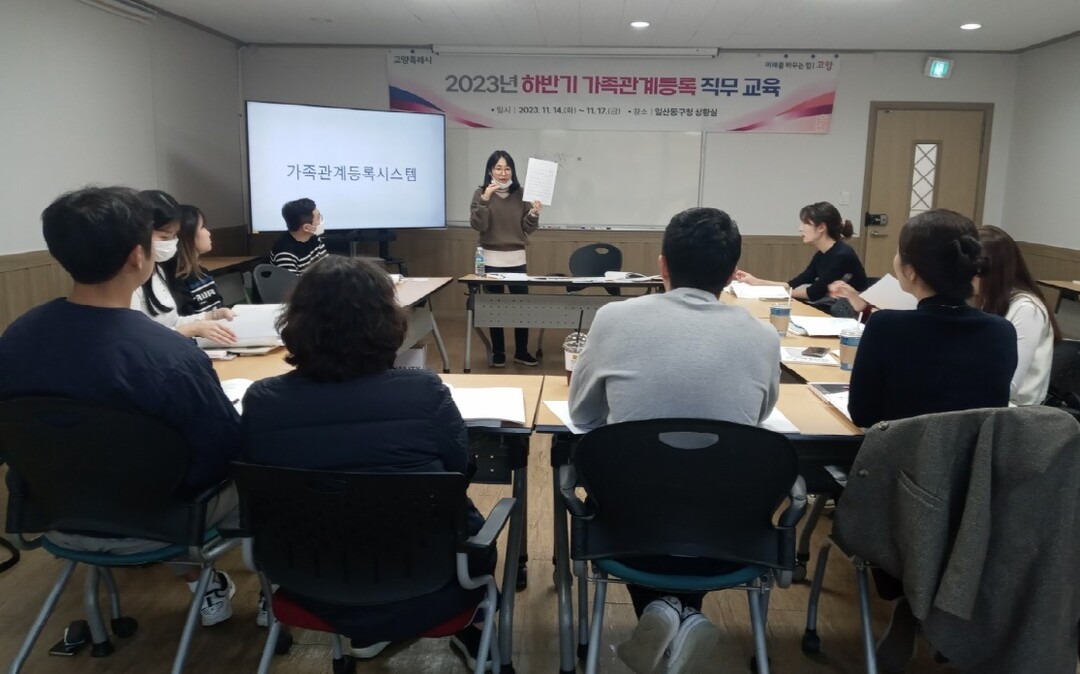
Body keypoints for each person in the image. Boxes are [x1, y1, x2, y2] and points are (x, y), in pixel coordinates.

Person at [0, 186, 243, 626]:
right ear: (137, 256)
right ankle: (270, 596)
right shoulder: (168, 356)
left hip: (53, 514)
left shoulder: (16, 339)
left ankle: (199, 585)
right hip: (164, 520)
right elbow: (221, 452)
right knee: (263, 472)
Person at [241, 255, 497, 667]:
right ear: (387, 322)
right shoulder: (424, 393)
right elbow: (457, 471)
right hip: (427, 575)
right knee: (467, 524)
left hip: (306, 574)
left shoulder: (261, 401)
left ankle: (369, 633)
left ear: (296, 323)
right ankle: (475, 629)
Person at [568, 207, 780, 674]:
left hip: (628, 527)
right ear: (732, 273)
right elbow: (759, 416)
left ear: (662, 265)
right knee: (697, 481)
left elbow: (581, 414)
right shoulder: (763, 336)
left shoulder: (613, 318)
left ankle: (664, 610)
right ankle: (683, 613)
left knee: (645, 483)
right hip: (730, 531)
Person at [845, 209, 1017, 671]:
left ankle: (911, 600)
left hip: (897, 493)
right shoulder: (1001, 333)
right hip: (971, 496)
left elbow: (863, 414)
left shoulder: (887, 326)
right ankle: (940, 609)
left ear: (909, 270)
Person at [131, 190, 236, 344]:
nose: (171, 242)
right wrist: (192, 329)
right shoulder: (128, 283)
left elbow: (173, 323)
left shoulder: (158, 271)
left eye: (174, 236)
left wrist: (213, 316)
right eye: (164, 237)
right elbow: (138, 340)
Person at [469, 150, 542, 367]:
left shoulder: (521, 194)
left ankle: (521, 351)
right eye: (498, 168)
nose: (503, 173)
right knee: (495, 308)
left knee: (521, 307)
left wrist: (534, 214)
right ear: (490, 171)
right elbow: (479, 225)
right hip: (491, 260)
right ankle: (498, 352)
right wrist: (485, 201)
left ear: (513, 171)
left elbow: (527, 228)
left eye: (507, 168)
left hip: (517, 260)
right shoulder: (481, 194)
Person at [974, 225, 1061, 405]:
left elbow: (1009, 385)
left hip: (1016, 410)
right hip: (990, 402)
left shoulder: (1027, 309)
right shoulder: (987, 299)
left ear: (992, 271)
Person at [734, 201, 868, 302]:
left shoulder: (842, 255)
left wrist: (774, 293)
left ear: (821, 227)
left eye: (806, 223)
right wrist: (757, 282)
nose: (800, 228)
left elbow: (813, 293)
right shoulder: (822, 254)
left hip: (849, 314)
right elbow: (794, 284)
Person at [161, 204, 225, 316]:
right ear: (189, 236)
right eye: (203, 227)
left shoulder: (203, 274)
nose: (209, 233)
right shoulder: (176, 283)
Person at [270, 197, 329, 275]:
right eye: (318, 218)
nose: (321, 221)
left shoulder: (314, 238)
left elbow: (328, 267)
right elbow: (292, 281)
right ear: (307, 228)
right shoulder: (285, 252)